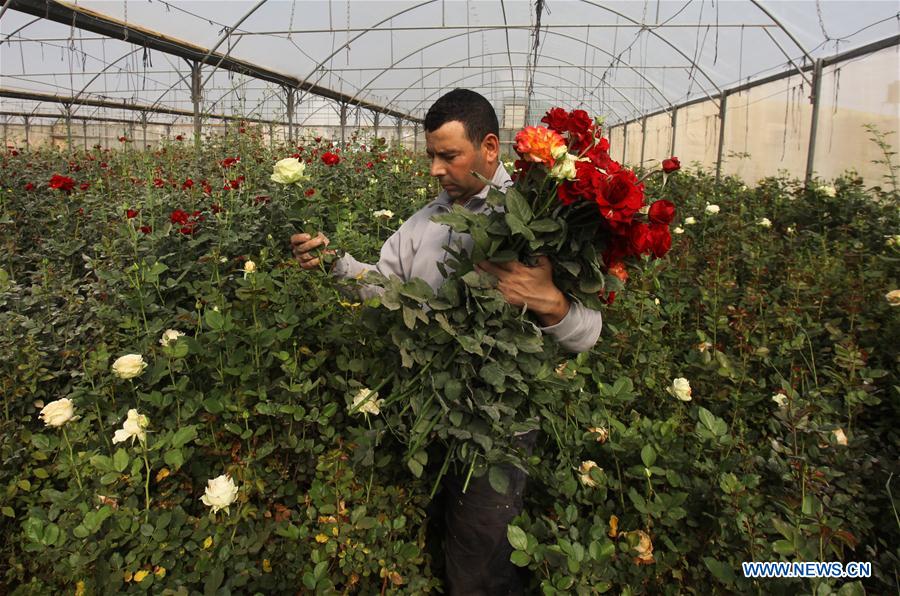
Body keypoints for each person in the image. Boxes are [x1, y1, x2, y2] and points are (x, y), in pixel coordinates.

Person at [291, 88, 602, 595]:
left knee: (481, 552)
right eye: (431, 155)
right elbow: (383, 284)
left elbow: (589, 333)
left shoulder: (548, 217)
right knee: (444, 522)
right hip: (438, 407)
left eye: (449, 155)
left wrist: (551, 302)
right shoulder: (424, 224)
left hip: (500, 422)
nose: (435, 169)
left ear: (491, 149)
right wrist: (334, 262)